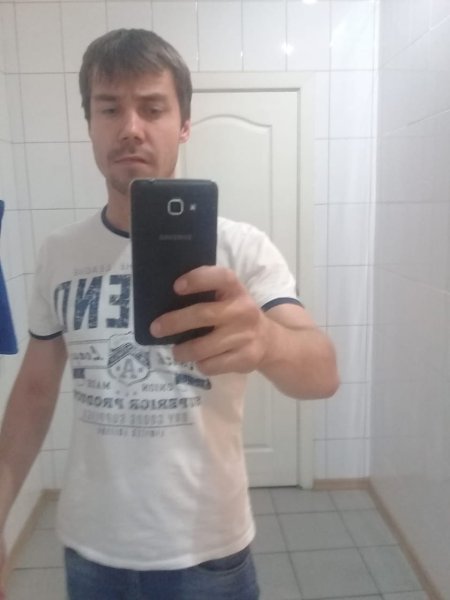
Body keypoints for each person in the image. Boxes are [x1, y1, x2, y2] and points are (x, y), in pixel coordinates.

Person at [0, 29, 339, 600]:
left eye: (153, 108)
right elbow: (33, 393)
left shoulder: (241, 248)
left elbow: (322, 374)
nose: (130, 127)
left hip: (207, 553)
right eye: (110, 108)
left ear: (184, 124)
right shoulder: (60, 254)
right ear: (89, 123)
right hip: (91, 550)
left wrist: (267, 339)